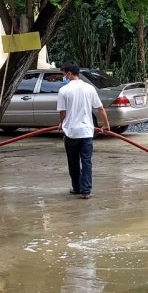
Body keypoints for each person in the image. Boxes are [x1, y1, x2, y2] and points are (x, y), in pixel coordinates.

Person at [57, 62, 110, 199]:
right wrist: (106, 125)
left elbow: (62, 112)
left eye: (64, 74)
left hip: (71, 132)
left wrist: (61, 123)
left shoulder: (64, 91)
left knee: (73, 162)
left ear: (69, 73)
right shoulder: (89, 88)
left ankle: (77, 187)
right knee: (86, 162)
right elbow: (100, 108)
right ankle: (86, 191)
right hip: (87, 132)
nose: (64, 77)